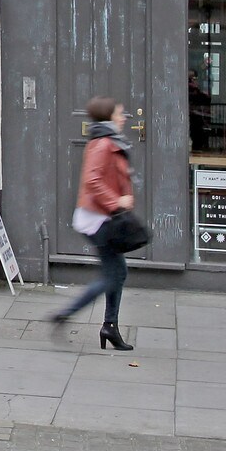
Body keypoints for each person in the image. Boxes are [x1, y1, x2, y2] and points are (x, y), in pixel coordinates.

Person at [52, 96, 135, 350]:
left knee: (117, 272)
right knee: (114, 274)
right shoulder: (103, 143)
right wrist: (117, 201)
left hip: (101, 216)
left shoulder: (107, 140)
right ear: (108, 117)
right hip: (97, 219)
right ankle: (67, 314)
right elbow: (92, 181)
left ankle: (110, 326)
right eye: (119, 114)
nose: (123, 118)